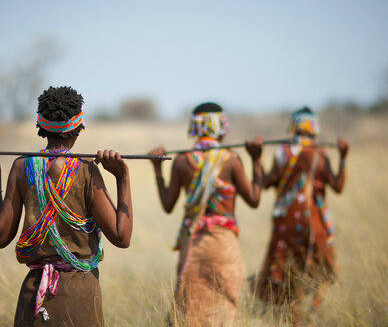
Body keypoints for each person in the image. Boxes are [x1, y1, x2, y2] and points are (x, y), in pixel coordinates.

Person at [0, 86, 133, 327]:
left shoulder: (21, 168)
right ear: (78, 127)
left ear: (41, 126)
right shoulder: (86, 169)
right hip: (80, 300)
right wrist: (122, 177)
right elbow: (122, 237)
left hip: (33, 298)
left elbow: (1, 236)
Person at [149, 102, 263, 326]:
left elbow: (167, 205)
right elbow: (254, 199)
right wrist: (257, 159)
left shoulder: (182, 161)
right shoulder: (231, 160)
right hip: (224, 246)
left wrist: (157, 169)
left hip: (193, 245)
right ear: (222, 127)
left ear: (194, 127)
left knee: (189, 310)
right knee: (223, 310)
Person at [256, 106, 349, 325]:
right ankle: (313, 309)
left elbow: (265, 182)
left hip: (285, 222)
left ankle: (294, 316)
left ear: (293, 127)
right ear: (314, 128)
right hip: (314, 222)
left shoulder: (282, 153)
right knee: (324, 267)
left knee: (288, 271)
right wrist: (343, 158)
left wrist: (256, 160)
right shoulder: (319, 153)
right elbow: (337, 185)